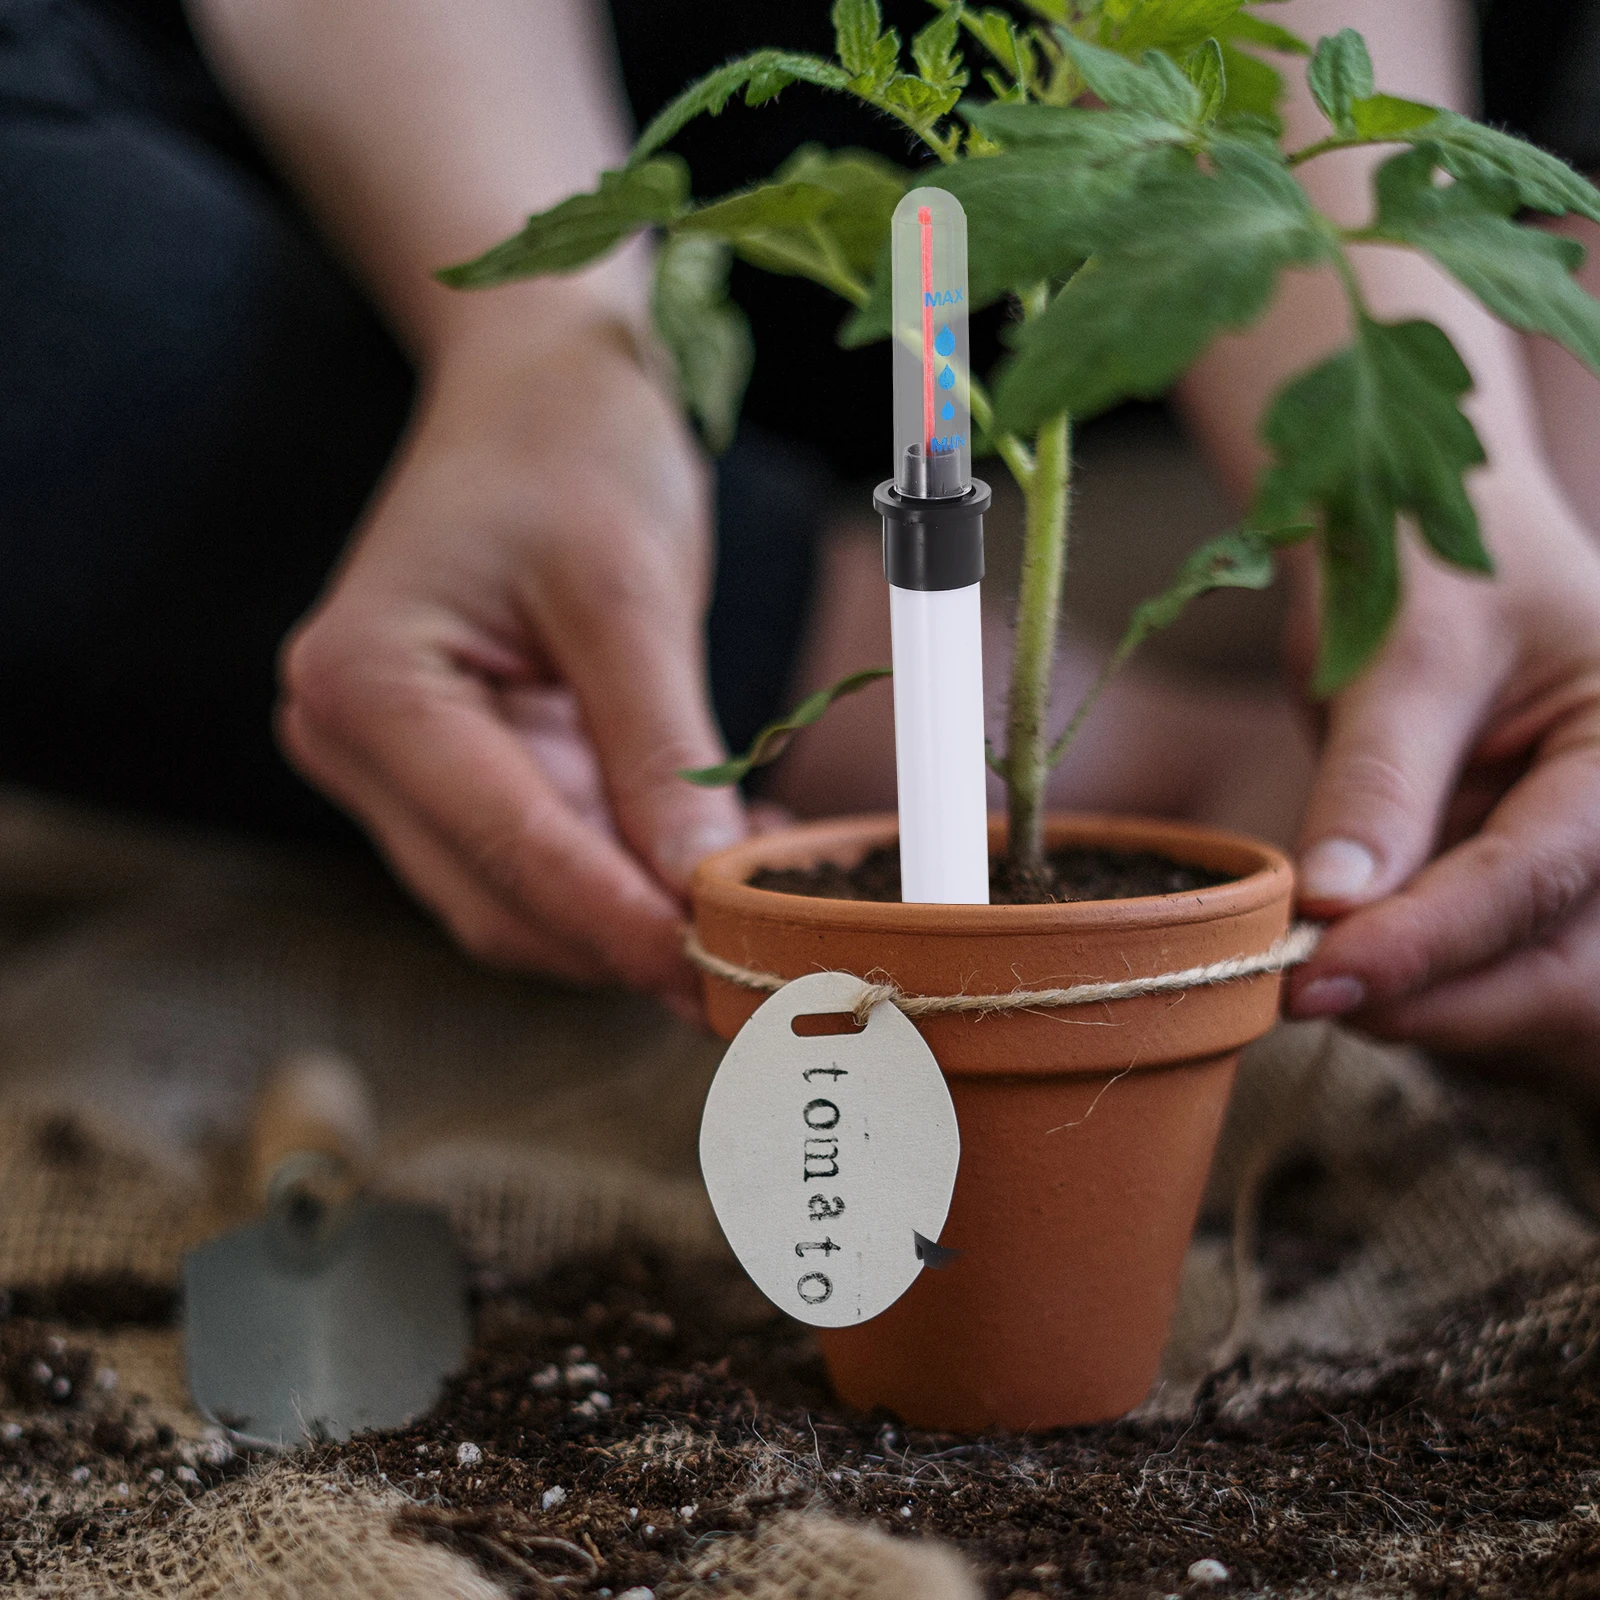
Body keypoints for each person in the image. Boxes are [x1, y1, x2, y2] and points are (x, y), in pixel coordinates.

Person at [3, 0, 1598, 1079]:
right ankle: (1147, 771)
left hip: (1281, 142)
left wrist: (1429, 514)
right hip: (487, 158)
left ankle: (1493, 678)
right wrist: (545, 344)